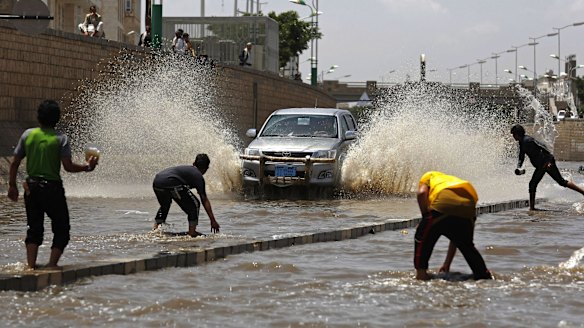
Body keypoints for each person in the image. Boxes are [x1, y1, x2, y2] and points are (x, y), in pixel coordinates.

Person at [7, 100, 99, 270]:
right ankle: (52, 265)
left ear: (38, 117)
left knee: (34, 228)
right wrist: (87, 167)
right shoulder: (60, 138)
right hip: (52, 188)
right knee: (62, 227)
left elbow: (14, 163)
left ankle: (31, 266)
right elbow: (68, 167)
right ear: (57, 119)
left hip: (31, 187)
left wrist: (12, 186)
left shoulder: (28, 135)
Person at [414, 171, 492, 281]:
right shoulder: (451, 181)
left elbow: (421, 194)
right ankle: (483, 275)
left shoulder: (428, 176)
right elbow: (456, 238)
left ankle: (421, 275)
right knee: (466, 244)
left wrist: (425, 219)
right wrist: (447, 264)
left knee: (421, 235)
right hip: (468, 203)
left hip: (444, 202)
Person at [511, 124, 584, 210]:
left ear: (517, 134)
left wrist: (549, 161)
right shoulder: (522, 142)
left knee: (557, 182)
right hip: (541, 165)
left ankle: (532, 208)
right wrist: (518, 167)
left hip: (546, 163)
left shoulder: (528, 140)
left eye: (513, 134)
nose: (513, 137)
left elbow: (543, 147)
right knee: (556, 182)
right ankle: (532, 208)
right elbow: (521, 157)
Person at [152, 154, 220, 237]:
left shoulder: (187, 170)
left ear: (194, 163)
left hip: (157, 182)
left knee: (165, 205)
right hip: (171, 183)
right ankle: (192, 232)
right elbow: (204, 199)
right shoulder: (198, 176)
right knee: (195, 204)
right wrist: (213, 221)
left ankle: (156, 229)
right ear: (206, 168)